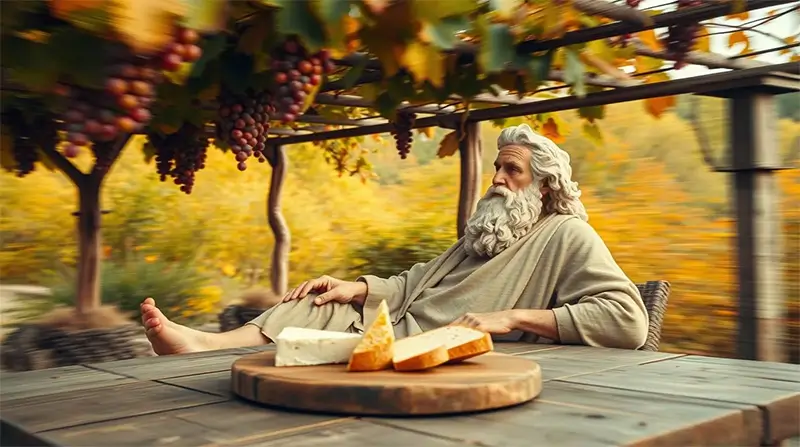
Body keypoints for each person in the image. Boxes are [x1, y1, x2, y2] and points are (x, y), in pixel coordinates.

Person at [140, 124, 649, 355]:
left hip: (426, 353)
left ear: (544, 185)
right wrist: (355, 288)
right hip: (392, 324)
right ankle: (205, 344)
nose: (496, 178)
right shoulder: (486, 231)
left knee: (307, 347)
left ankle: (210, 352)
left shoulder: (565, 235)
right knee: (315, 303)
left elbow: (628, 320)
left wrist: (514, 318)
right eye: (496, 167)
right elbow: (416, 283)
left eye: (510, 170)